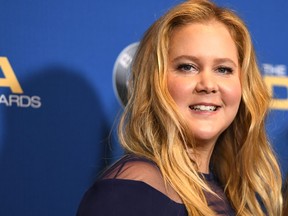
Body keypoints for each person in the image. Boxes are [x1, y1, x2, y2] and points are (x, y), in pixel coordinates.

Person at [77, 0, 283, 215]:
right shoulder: (129, 191)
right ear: (154, 82)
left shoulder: (226, 192)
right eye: (187, 67)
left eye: (223, 69)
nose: (208, 85)